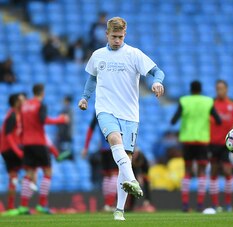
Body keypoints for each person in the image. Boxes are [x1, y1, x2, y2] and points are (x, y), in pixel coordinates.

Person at [78, 17, 165, 221]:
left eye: (120, 36)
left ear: (125, 35)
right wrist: (85, 98)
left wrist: (157, 82)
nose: (117, 40)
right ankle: (133, 180)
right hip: (106, 109)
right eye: (114, 36)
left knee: (124, 161)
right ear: (106, 34)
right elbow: (92, 78)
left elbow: (157, 71)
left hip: (130, 114)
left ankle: (119, 210)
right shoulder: (98, 55)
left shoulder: (134, 54)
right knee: (114, 140)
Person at [170, 80, 221, 212]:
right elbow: (219, 121)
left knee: (187, 172)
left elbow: (173, 121)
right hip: (202, 141)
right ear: (201, 89)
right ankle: (199, 205)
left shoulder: (184, 101)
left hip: (187, 141)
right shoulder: (208, 101)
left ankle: (185, 205)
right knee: (201, 172)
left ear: (190, 89)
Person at [18, 84, 69, 215]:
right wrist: (60, 119)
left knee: (28, 173)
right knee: (48, 171)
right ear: (42, 93)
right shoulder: (40, 105)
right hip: (39, 142)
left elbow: (22, 126)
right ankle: (42, 204)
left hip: (27, 143)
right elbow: (43, 120)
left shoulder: (24, 106)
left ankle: (23, 206)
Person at [209, 80, 233, 211]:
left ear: (226, 89)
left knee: (227, 172)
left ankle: (227, 204)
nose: (219, 91)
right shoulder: (211, 104)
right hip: (213, 142)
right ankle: (215, 204)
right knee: (214, 172)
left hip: (228, 144)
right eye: (217, 88)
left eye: (222, 88)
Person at [82, 113, 118, 212]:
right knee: (114, 174)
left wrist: (86, 147)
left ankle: (107, 204)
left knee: (107, 176)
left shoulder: (98, 110)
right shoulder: (115, 108)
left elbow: (90, 129)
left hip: (103, 149)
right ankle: (110, 204)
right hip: (114, 146)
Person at [0, 94, 25, 215]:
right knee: (32, 168)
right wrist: (18, 151)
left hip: (9, 149)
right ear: (16, 102)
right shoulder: (12, 115)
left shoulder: (18, 115)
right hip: (9, 150)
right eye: (22, 99)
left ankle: (11, 207)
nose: (24, 101)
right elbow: (8, 136)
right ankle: (23, 205)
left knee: (13, 177)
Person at [127, 147, 156, 212]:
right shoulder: (128, 159)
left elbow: (145, 171)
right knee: (132, 185)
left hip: (143, 172)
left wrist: (142, 177)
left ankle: (147, 202)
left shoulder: (142, 158)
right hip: (133, 173)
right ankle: (131, 205)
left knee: (146, 183)